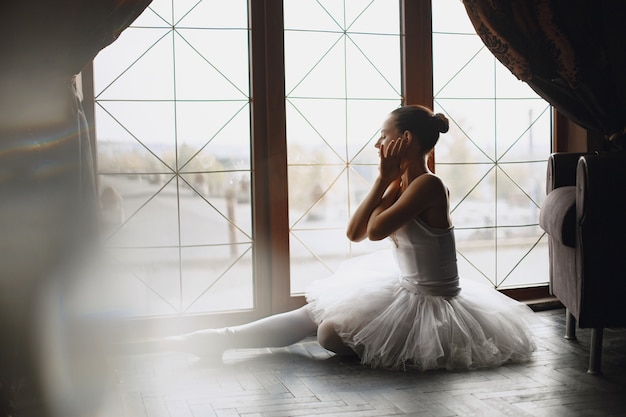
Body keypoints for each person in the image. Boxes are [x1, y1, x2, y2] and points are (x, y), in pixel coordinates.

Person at [130, 104, 537, 371]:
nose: (378, 143)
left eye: (384, 135)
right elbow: (355, 232)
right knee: (317, 315)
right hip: (405, 290)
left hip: (434, 305)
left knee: (327, 331)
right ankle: (220, 339)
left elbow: (376, 231)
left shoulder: (427, 186)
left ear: (405, 140)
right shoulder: (402, 184)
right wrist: (384, 181)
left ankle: (221, 340)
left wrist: (381, 177)